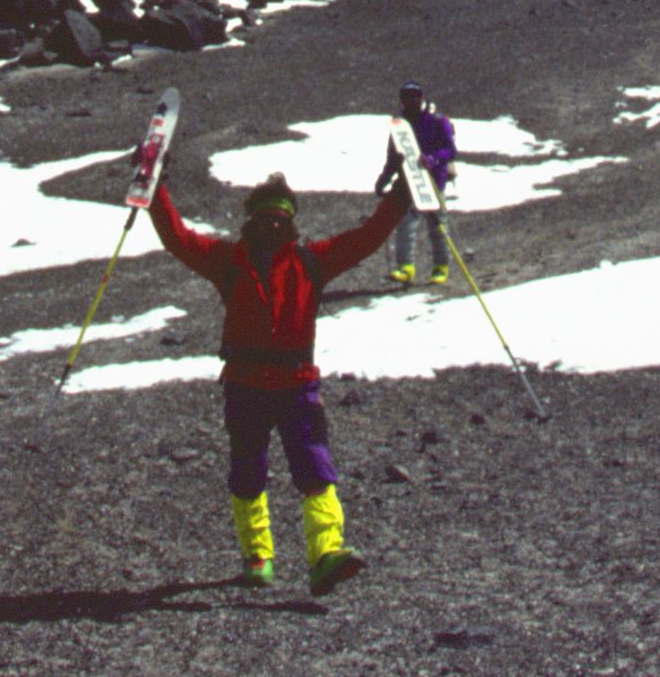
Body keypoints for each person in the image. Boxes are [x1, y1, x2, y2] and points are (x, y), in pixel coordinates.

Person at [150, 166, 405, 593]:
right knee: (248, 470)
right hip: (246, 384)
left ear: (291, 222)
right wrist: (154, 189)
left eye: (281, 218)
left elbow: (366, 239)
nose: (274, 224)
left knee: (315, 467)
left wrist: (400, 199)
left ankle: (325, 554)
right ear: (252, 220)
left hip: (296, 383)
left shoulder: (311, 261)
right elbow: (179, 239)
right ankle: (257, 556)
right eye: (267, 216)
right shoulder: (228, 259)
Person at [378, 82, 459, 285]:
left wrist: (432, 158)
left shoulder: (437, 121)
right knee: (406, 223)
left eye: (415, 96)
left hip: (434, 180)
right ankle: (406, 267)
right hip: (409, 180)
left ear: (421, 98)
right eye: (406, 97)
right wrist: (385, 178)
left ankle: (440, 267)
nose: (411, 100)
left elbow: (451, 150)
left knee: (437, 225)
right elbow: (394, 155)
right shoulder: (401, 125)